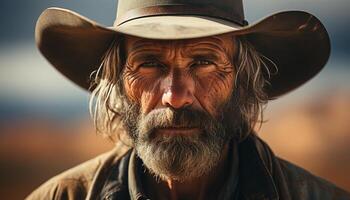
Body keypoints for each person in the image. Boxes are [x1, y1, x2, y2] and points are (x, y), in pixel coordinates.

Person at [27, 0, 350, 199]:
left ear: (242, 79)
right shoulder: (63, 197)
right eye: (150, 64)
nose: (175, 96)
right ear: (118, 81)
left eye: (203, 62)